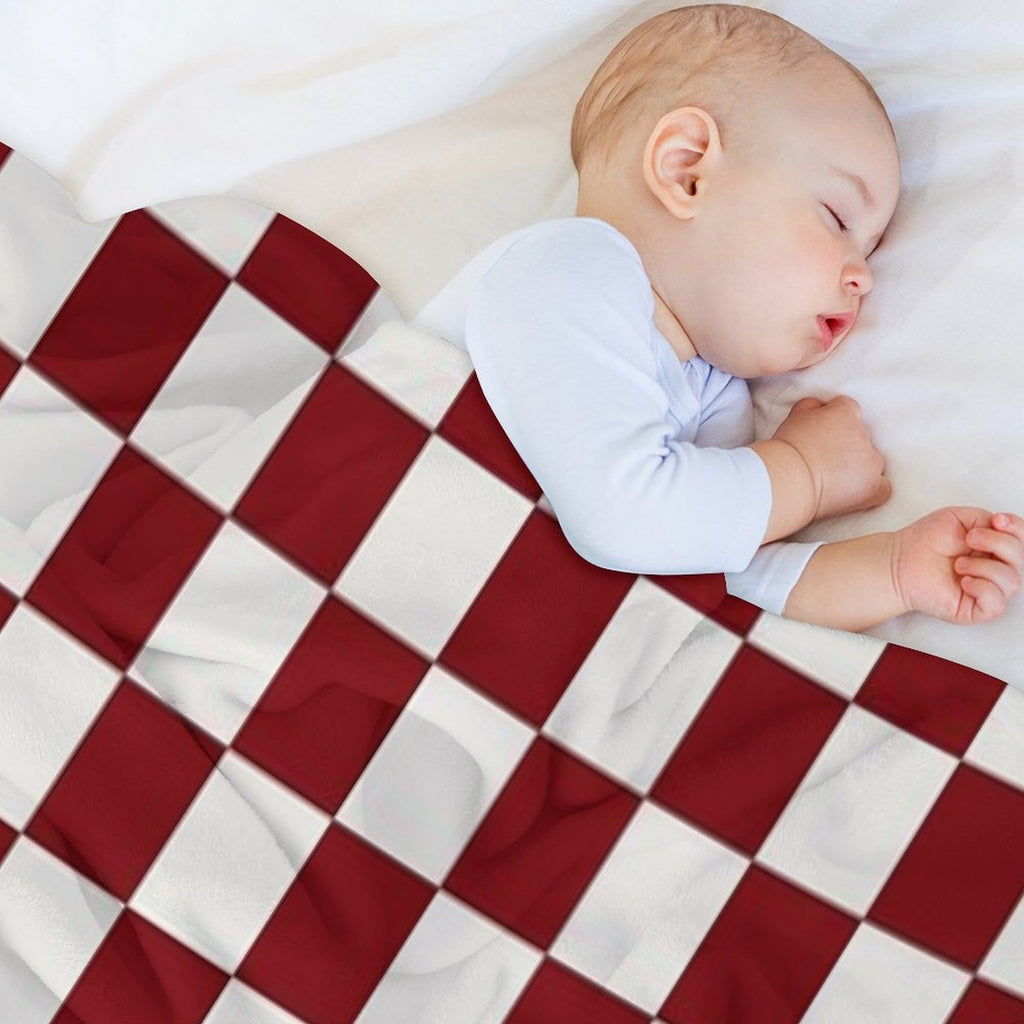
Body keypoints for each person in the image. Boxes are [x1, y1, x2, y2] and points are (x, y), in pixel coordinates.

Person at [413, 3, 1023, 632]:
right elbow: (624, 517)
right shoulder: (565, 268)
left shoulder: (710, 390)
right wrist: (804, 473)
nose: (862, 276)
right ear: (687, 171)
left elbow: (715, 576)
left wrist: (894, 571)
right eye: (838, 218)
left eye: (868, 252)